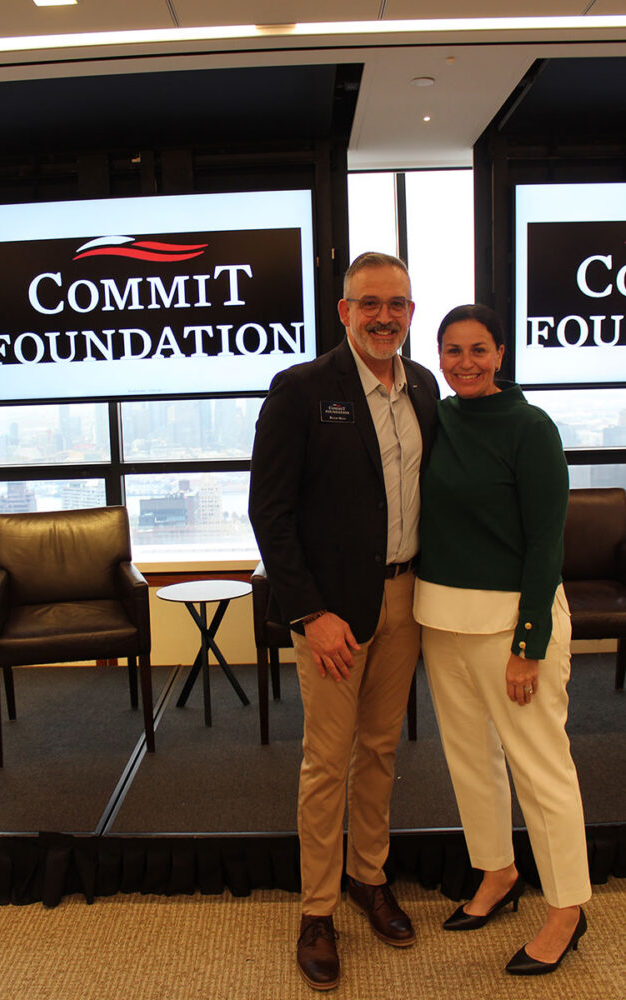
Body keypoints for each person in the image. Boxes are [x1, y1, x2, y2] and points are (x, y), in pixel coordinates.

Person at [248, 251, 438, 990]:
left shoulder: (423, 387)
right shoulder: (301, 389)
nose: (384, 317)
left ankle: (368, 876)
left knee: (382, 748)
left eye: (396, 304)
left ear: (410, 312)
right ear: (344, 311)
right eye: (369, 304)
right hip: (331, 612)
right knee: (327, 760)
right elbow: (270, 511)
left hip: (407, 598)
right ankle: (317, 910)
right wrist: (309, 612)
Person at [414, 303, 591, 977]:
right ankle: (497, 872)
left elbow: (546, 542)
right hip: (442, 618)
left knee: (540, 768)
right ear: (438, 357)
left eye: (478, 349)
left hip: (512, 626)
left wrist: (528, 644)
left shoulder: (530, 428)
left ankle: (566, 909)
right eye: (452, 351)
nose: (465, 363)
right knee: (469, 760)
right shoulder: (439, 419)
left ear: (500, 354)